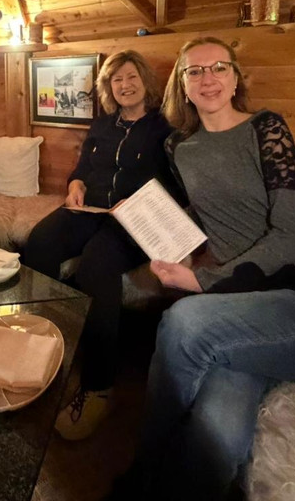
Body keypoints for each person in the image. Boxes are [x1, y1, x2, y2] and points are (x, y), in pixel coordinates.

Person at [117, 37, 295, 499]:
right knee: (218, 424)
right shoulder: (180, 146)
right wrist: (156, 231)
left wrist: (203, 280)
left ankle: (140, 477)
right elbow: (208, 212)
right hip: (250, 305)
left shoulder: (265, 128)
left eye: (219, 67)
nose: (208, 78)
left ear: (235, 78)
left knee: (184, 319)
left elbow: (294, 235)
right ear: (183, 86)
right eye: (195, 71)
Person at [24, 50, 181, 441]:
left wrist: (142, 203)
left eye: (131, 77)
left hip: (133, 221)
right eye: (116, 80)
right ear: (108, 87)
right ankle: (46, 340)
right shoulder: (103, 124)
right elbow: (83, 168)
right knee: (39, 242)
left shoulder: (165, 126)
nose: (125, 85)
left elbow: (178, 186)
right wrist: (75, 184)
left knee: (96, 265)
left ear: (145, 81)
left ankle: (97, 386)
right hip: (90, 209)